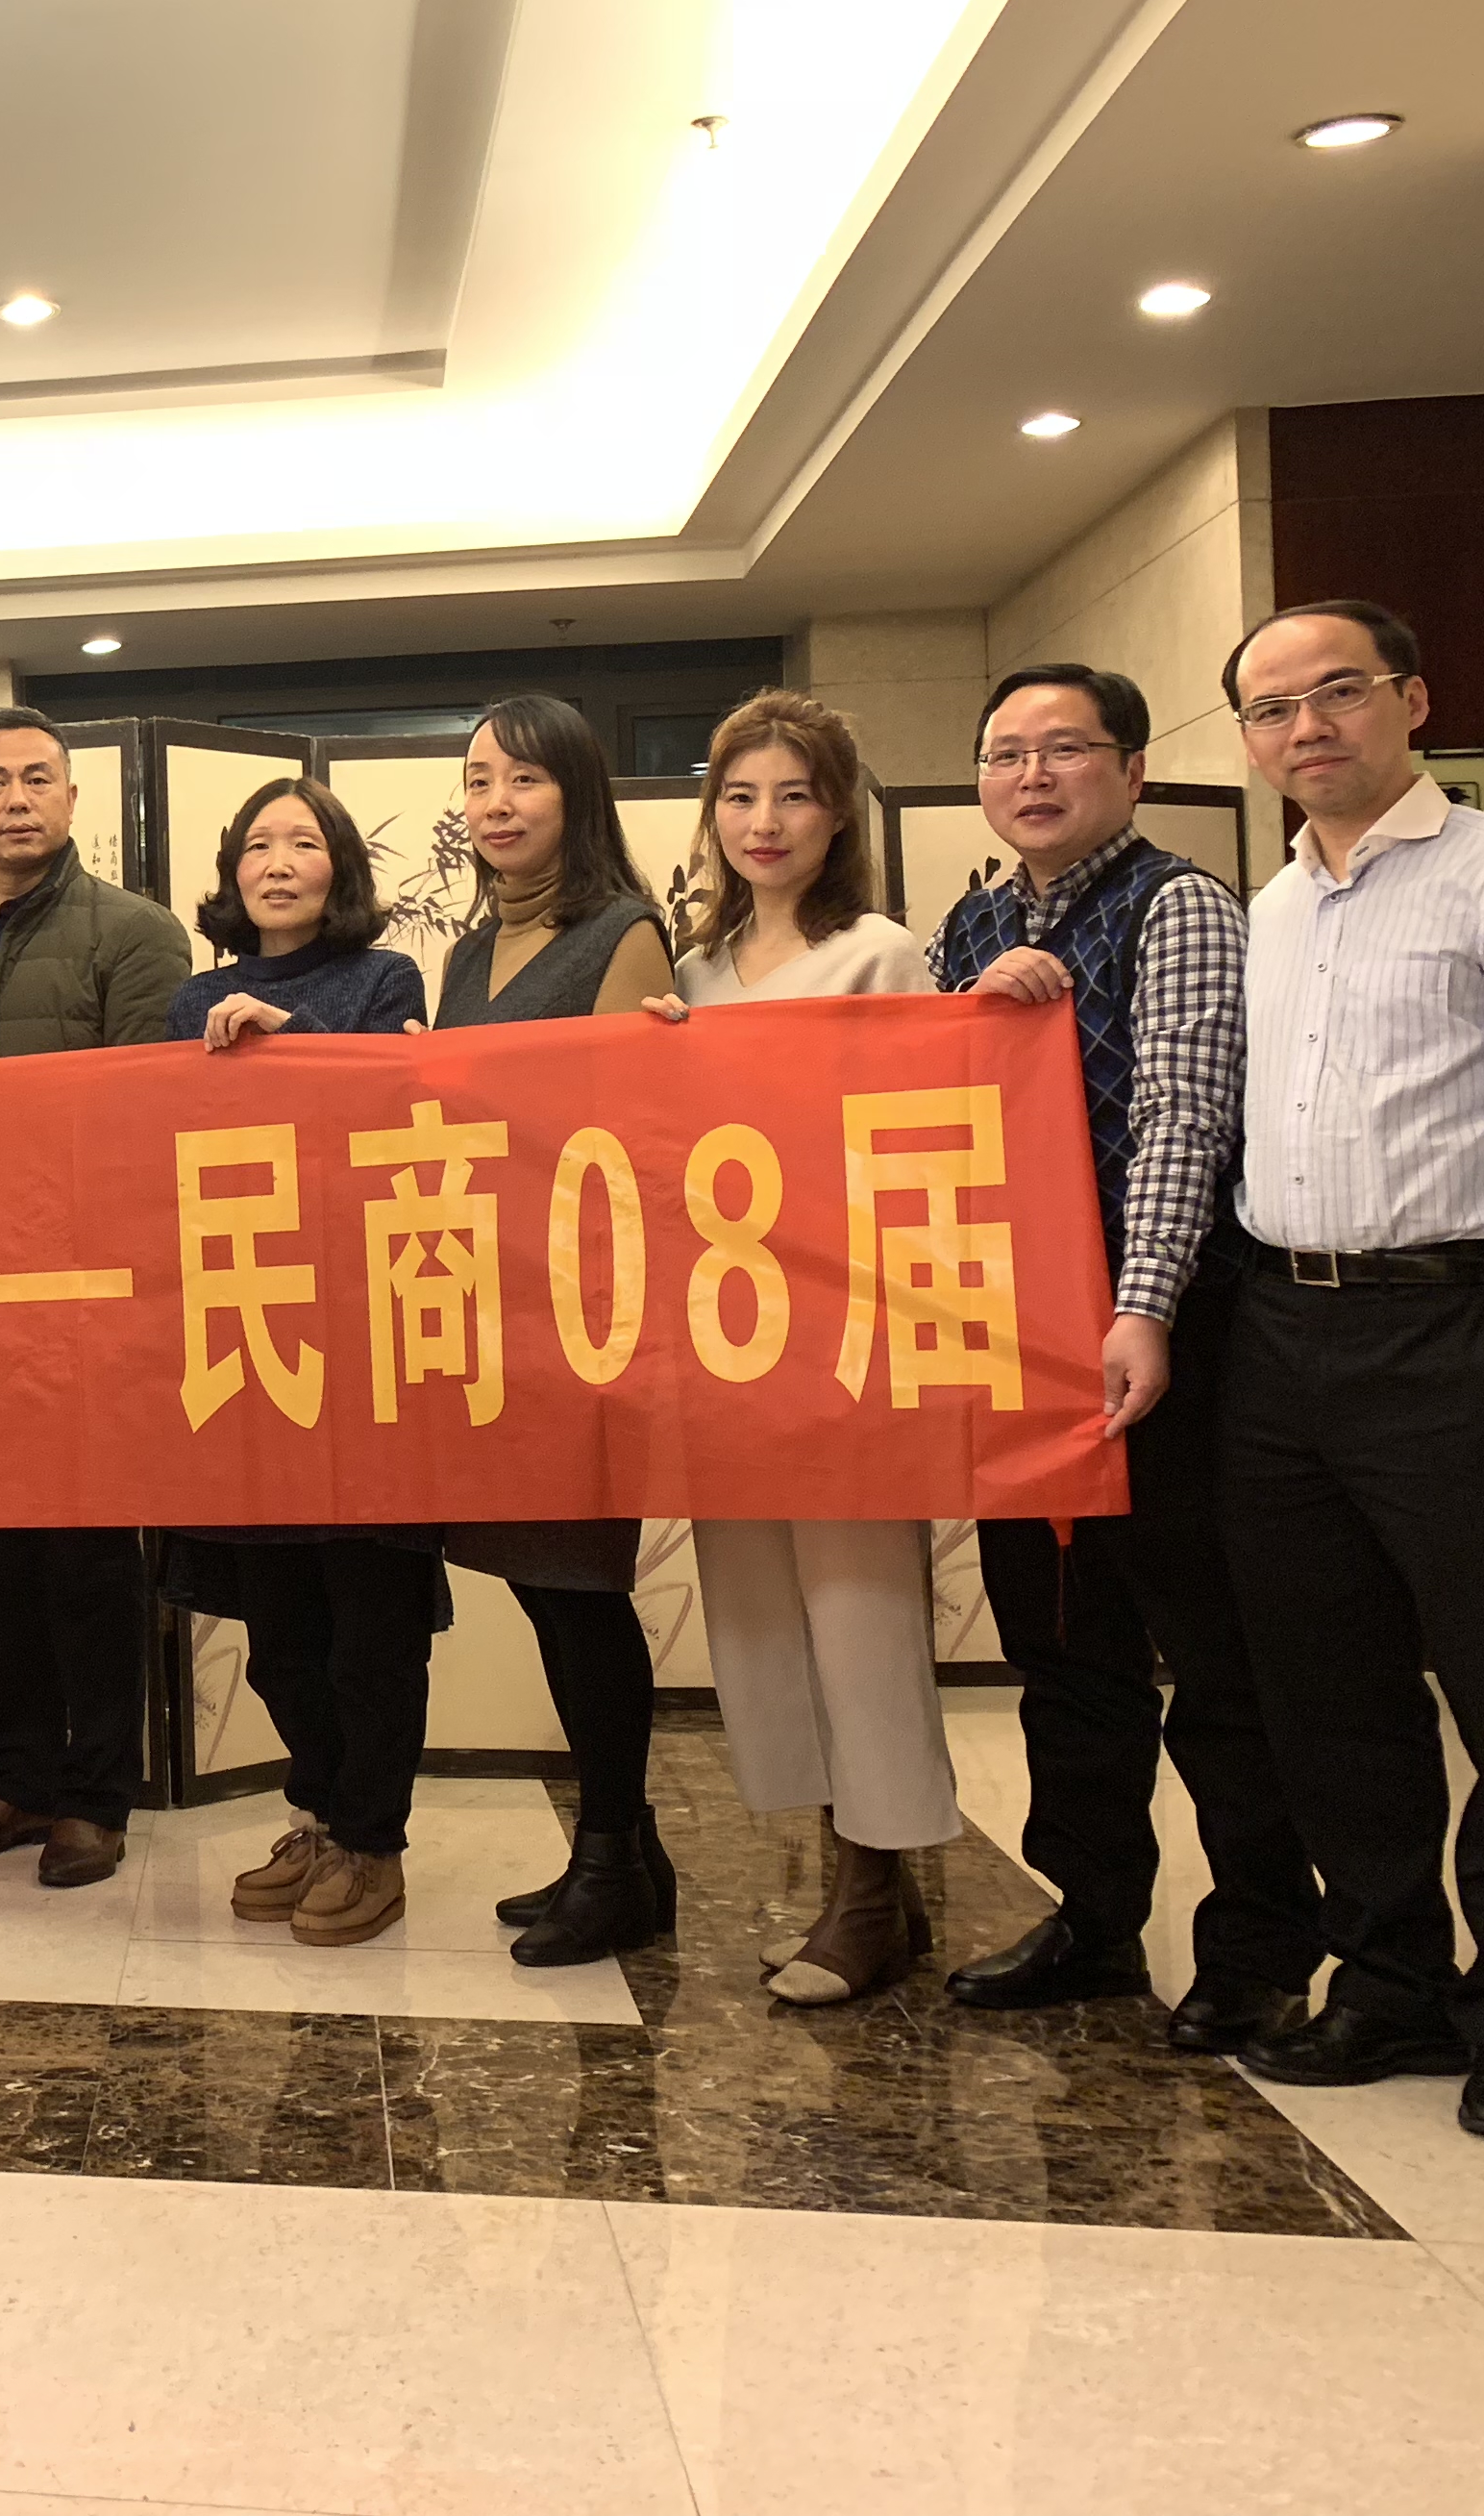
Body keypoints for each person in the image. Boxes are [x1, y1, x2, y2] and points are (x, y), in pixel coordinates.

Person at [1214, 599, 1484, 2147]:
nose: (1306, 727)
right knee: (1328, 1686)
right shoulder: (1268, 910)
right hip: (1280, 1331)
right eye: (1272, 709)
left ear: (1412, 700)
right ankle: (1388, 1978)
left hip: (1448, 1326)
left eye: (1337, 692)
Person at [930, 662, 1319, 2056]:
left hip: (1164, 1337)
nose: (1032, 776)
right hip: (1018, 1342)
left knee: (1210, 1656)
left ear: (1134, 770)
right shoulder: (970, 924)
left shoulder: (1181, 907)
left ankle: (1260, 1943)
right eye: (1006, 754)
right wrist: (971, 1010)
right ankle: (1092, 1917)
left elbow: (1183, 1122)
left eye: (1065, 750)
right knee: (1060, 1648)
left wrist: (1139, 1305)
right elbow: (919, 1112)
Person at [647, 690, 958, 2005]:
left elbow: (921, 1135)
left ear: (839, 814)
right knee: (765, 1611)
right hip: (729, 1332)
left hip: (847, 1328)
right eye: (739, 797)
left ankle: (874, 1891)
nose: (764, 823)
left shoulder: (879, 953)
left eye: (793, 796)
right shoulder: (697, 969)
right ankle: (857, 1881)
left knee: (860, 1608)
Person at [0, 707, 194, 1889]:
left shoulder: (135, 932)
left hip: (86, 1290)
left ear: (74, 799)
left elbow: (145, 1116)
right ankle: (17, 1778)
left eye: (37, 779)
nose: (16, 800)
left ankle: (96, 1796)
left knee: (88, 1560)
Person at [160, 778, 439, 1948]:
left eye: (305, 843)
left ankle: (373, 1840)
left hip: (363, 1341)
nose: (278, 863)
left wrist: (295, 1044)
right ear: (232, 872)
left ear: (341, 869)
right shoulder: (192, 1000)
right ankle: (319, 1814)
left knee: (368, 1622)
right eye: (258, 845)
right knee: (277, 1634)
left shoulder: (386, 983)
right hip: (246, 1334)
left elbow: (396, 1115)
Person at [436, 694, 680, 1968]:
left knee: (581, 1590)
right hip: (495, 1310)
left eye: (523, 780)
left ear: (577, 793)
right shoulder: (469, 954)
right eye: (479, 781)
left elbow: (629, 1141)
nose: (497, 804)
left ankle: (612, 1857)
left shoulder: (624, 933)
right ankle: (633, 1853)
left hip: (585, 1317)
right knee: (543, 1591)